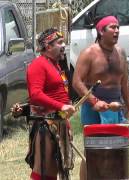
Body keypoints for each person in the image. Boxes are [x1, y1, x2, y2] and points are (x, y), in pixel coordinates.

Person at [72, 15, 129, 180]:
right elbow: (76, 82)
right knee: (92, 151)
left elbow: (124, 84)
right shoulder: (89, 53)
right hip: (93, 108)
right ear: (101, 31)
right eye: (112, 27)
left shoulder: (121, 53)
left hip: (115, 109)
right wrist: (94, 101)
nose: (116, 31)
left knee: (116, 150)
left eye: (117, 28)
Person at [24, 28, 76, 180]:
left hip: (58, 122)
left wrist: (65, 119)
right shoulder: (38, 65)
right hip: (45, 125)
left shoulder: (55, 65)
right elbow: (35, 94)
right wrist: (61, 106)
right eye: (60, 42)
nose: (64, 46)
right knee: (45, 170)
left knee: (55, 169)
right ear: (48, 46)